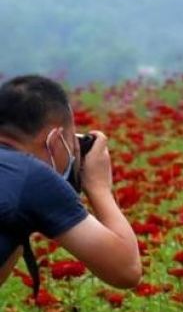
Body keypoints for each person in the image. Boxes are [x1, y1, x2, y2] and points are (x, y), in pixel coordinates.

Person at [0, 75, 141, 292]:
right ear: (55, 140)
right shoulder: (32, 176)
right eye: (72, 144)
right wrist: (99, 187)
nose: (74, 153)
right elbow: (127, 270)